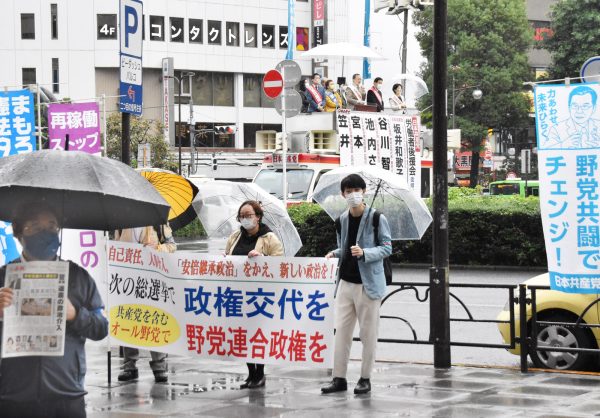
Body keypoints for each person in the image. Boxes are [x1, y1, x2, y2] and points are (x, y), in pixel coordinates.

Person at [0, 203, 108, 418]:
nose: (46, 233)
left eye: (52, 227)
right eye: (35, 227)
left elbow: (101, 328)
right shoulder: (4, 277)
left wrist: (76, 315)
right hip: (13, 394)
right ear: (19, 234)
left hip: (66, 393)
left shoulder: (78, 277)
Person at [321, 174, 392, 395]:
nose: (353, 195)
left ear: (364, 192)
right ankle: (339, 378)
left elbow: (387, 248)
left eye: (356, 190)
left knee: (368, 334)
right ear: (343, 194)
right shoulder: (342, 219)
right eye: (348, 191)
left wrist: (365, 253)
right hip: (345, 282)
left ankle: (365, 378)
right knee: (341, 332)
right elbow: (344, 247)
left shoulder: (377, 218)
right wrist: (334, 253)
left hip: (368, 285)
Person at [225, 200, 283, 389]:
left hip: (260, 295)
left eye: (249, 215)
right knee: (243, 334)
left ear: (258, 216)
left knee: (258, 334)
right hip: (238, 293)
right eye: (242, 215)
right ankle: (251, 373)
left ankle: (260, 373)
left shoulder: (269, 238)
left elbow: (280, 265)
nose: (245, 219)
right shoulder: (235, 236)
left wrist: (263, 259)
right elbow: (226, 258)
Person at [115, 224, 176, 383]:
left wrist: (157, 248)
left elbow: (172, 246)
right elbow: (115, 248)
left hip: (152, 279)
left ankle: (159, 366)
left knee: (154, 320)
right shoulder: (121, 224)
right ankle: (129, 366)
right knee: (127, 320)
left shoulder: (159, 223)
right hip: (128, 280)